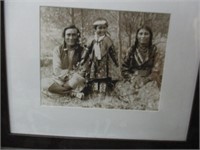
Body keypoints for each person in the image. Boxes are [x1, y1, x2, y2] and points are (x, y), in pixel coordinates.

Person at [48, 25, 87, 98]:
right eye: (68, 35)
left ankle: (57, 91)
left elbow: (83, 70)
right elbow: (57, 70)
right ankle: (71, 93)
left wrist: (70, 77)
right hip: (60, 79)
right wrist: (66, 76)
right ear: (64, 36)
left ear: (78, 36)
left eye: (74, 35)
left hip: (74, 80)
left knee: (78, 78)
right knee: (43, 83)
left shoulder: (83, 50)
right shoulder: (57, 50)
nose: (71, 38)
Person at [82, 18, 119, 94]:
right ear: (95, 29)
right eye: (100, 28)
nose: (102, 30)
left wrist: (116, 61)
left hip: (104, 63)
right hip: (94, 62)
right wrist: (83, 59)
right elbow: (87, 50)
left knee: (103, 78)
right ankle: (95, 91)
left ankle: (102, 92)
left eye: (104, 28)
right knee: (94, 77)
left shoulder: (107, 40)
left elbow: (112, 52)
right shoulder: (92, 39)